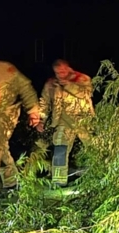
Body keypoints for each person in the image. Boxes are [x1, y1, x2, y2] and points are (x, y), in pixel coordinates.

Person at [0, 54, 41, 191]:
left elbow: (25, 87)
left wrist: (33, 110)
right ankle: (10, 181)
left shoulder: (6, 69)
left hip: (6, 112)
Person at [39, 59, 94, 187]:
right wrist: (40, 120)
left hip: (84, 121)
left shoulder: (82, 79)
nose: (60, 75)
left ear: (68, 69)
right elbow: (44, 102)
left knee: (93, 148)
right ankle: (59, 181)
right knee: (60, 149)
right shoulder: (51, 83)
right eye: (57, 73)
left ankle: (100, 175)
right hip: (62, 122)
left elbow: (86, 93)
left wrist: (68, 85)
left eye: (63, 72)